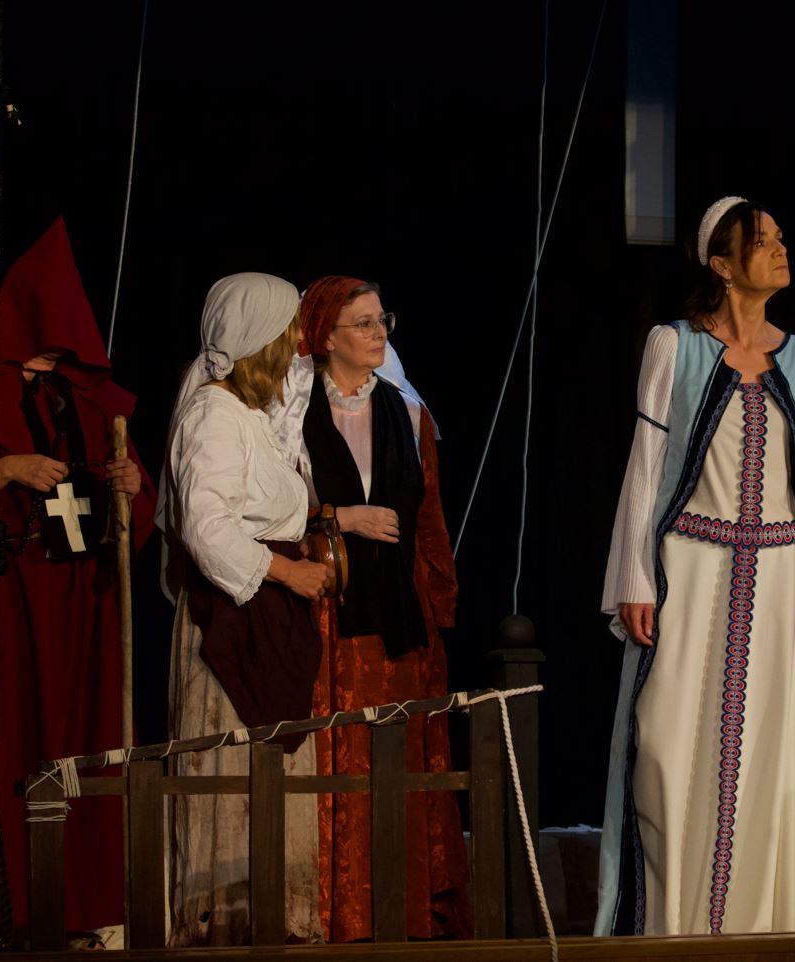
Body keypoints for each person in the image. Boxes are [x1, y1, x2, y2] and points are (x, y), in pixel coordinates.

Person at [595, 196, 795, 936]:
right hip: (691, 568)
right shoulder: (673, 346)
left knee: (767, 754)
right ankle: (670, 927)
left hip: (777, 578)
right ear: (722, 263)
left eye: (779, 238)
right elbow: (646, 466)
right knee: (668, 745)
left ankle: (758, 928)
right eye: (762, 241)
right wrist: (634, 578)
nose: (779, 250)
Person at [0, 218, 155, 945]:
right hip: (7, 590)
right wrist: (6, 468)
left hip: (79, 598)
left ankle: (84, 907)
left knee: (80, 740)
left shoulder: (89, 397)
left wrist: (129, 486)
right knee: (4, 737)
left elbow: (134, 499)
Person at [281, 275, 470, 941]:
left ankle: (399, 907)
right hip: (323, 612)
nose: (378, 332)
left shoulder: (407, 413)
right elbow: (266, 506)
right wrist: (338, 517)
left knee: (393, 753)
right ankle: (330, 910)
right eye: (362, 323)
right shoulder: (291, 410)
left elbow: (430, 517)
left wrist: (438, 606)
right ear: (325, 335)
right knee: (334, 756)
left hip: (396, 617)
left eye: (381, 319)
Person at [160, 272, 331, 946]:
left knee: (270, 775)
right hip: (235, 617)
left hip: (268, 611)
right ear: (262, 340)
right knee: (231, 776)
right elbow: (207, 529)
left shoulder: (248, 416)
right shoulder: (213, 414)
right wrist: (287, 570)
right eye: (288, 334)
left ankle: (272, 922)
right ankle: (225, 931)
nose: (296, 347)